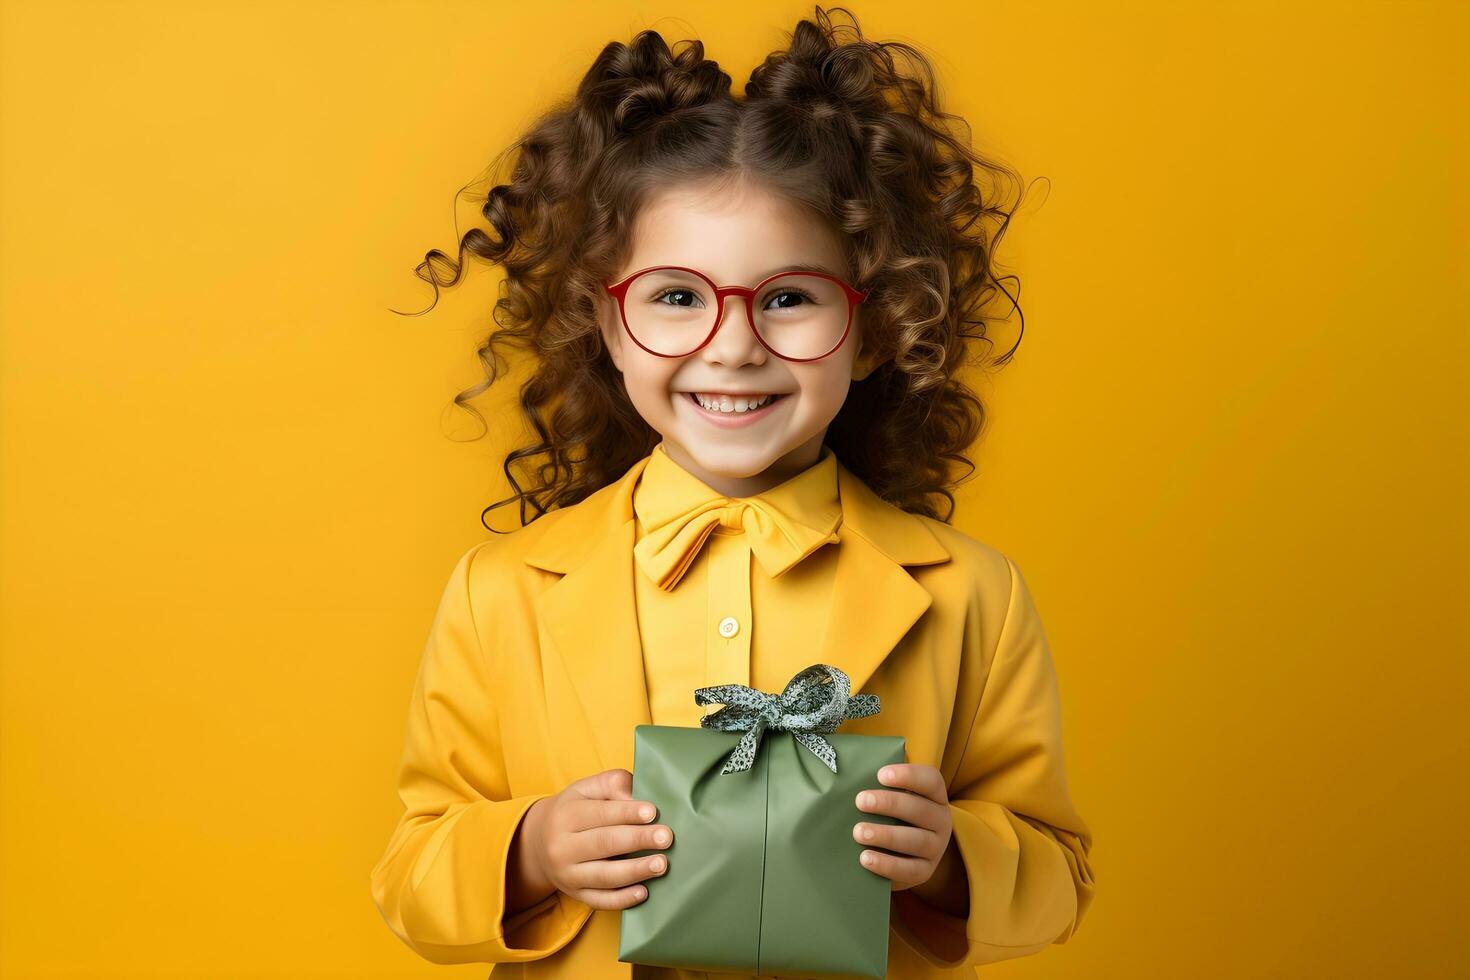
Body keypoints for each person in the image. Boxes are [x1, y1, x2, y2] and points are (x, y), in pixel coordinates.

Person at [370, 7, 1095, 978]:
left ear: (875, 324)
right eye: (677, 295)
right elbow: (412, 867)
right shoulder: (499, 589)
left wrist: (954, 857)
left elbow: (1056, 870)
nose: (734, 342)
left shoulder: (976, 595)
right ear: (609, 322)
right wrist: (533, 845)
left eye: (789, 296)